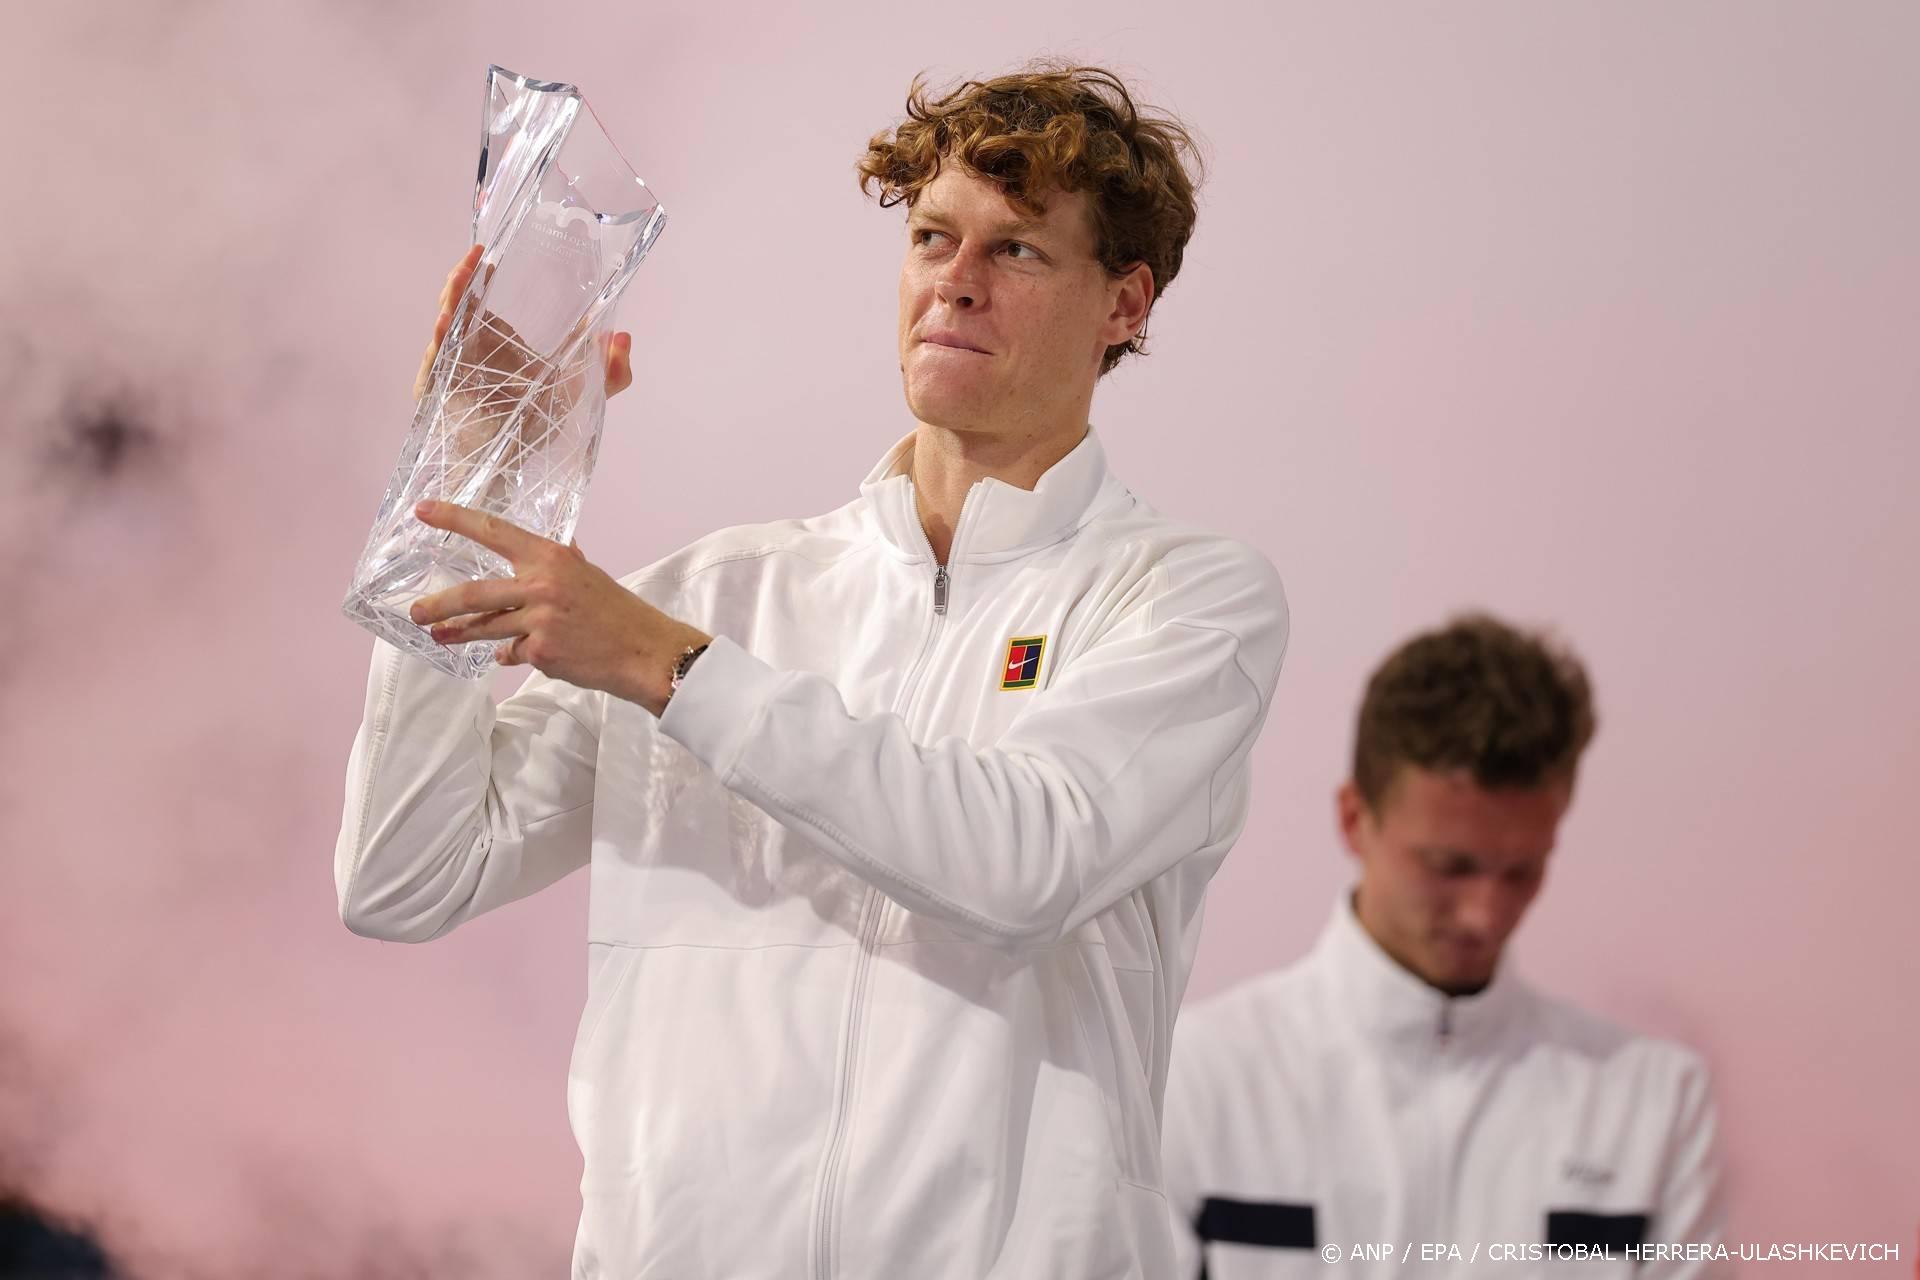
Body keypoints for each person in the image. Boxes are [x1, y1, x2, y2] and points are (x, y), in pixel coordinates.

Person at [335, 64, 1289, 1278]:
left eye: (1019, 252)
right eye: (935, 237)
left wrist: (668, 666)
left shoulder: (1187, 594)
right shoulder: (712, 593)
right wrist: (471, 483)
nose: (956, 279)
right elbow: (406, 874)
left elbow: (1022, 865)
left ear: (1125, 302)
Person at [1162, 615, 1727, 1279]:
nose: (1485, 914)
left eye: (1522, 871)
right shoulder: (1193, 1080)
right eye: (1448, 866)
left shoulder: (1652, 1102)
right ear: (1354, 819)